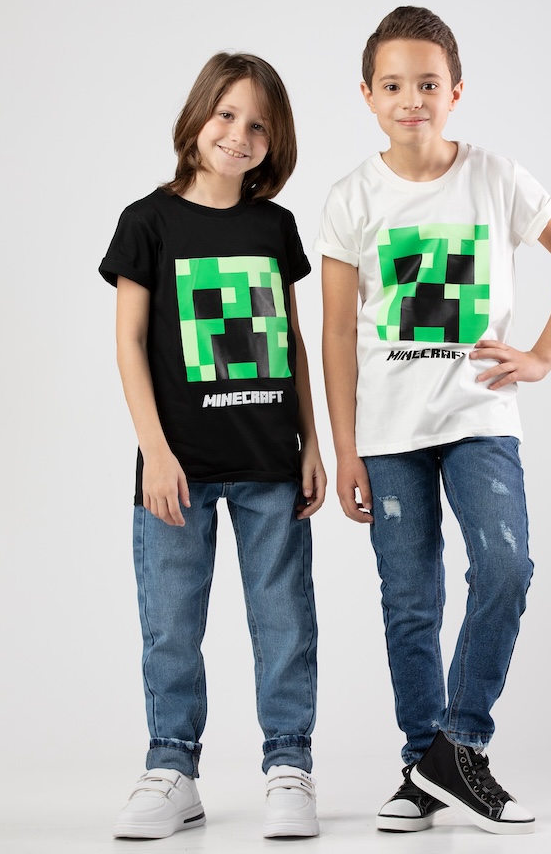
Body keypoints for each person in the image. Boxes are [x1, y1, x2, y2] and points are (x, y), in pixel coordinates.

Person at [316, 6, 551, 836]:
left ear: (457, 91)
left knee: (506, 567)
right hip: (388, 433)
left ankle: (459, 746)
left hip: (480, 416)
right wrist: (344, 448)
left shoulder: (496, 177)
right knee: (410, 599)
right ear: (367, 95)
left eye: (428, 83)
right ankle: (422, 765)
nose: (412, 99)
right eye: (393, 85)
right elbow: (335, 332)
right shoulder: (351, 197)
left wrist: (542, 354)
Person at [99, 51, 325, 840]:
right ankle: (172, 767)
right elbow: (129, 343)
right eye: (226, 114)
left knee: (284, 620)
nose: (239, 134)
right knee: (170, 623)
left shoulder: (274, 226)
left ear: (275, 139)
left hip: (269, 463)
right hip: (178, 469)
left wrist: (311, 441)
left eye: (259, 124)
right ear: (197, 116)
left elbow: (291, 339)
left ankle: (289, 765)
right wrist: (154, 451)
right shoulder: (147, 221)